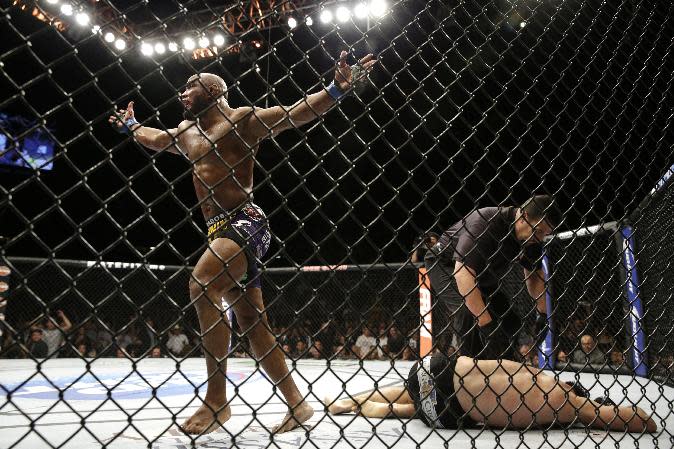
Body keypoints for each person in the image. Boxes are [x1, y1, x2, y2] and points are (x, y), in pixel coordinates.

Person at [109, 50, 376, 434]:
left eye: (191, 86)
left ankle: (216, 402)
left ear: (215, 90)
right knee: (252, 323)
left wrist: (335, 91)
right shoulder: (187, 134)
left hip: (246, 222)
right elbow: (156, 139)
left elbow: (293, 113)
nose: (182, 93)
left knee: (201, 283)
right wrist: (132, 125)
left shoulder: (242, 120)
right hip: (218, 230)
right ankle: (298, 404)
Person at [323, 354, 657, 433]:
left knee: (409, 392)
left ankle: (349, 401)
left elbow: (498, 361)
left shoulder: (531, 370)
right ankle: (375, 408)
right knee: (409, 409)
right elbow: (640, 422)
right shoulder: (567, 406)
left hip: (434, 367)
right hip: (444, 410)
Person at [424, 195, 558, 361]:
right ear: (523, 216)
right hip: (446, 264)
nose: (539, 238)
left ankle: (505, 367)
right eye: (538, 231)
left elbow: (534, 275)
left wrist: (542, 314)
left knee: (510, 321)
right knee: (469, 314)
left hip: (482, 274)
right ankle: (470, 372)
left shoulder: (530, 238)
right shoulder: (487, 223)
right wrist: (486, 325)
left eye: (545, 234)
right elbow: (462, 272)